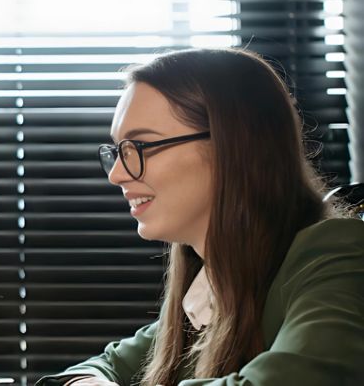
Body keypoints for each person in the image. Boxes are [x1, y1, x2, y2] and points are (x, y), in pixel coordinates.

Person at [38, 48, 364, 386]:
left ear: (232, 147)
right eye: (117, 151)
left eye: (140, 147)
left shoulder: (338, 256)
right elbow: (96, 369)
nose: (116, 174)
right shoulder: (206, 291)